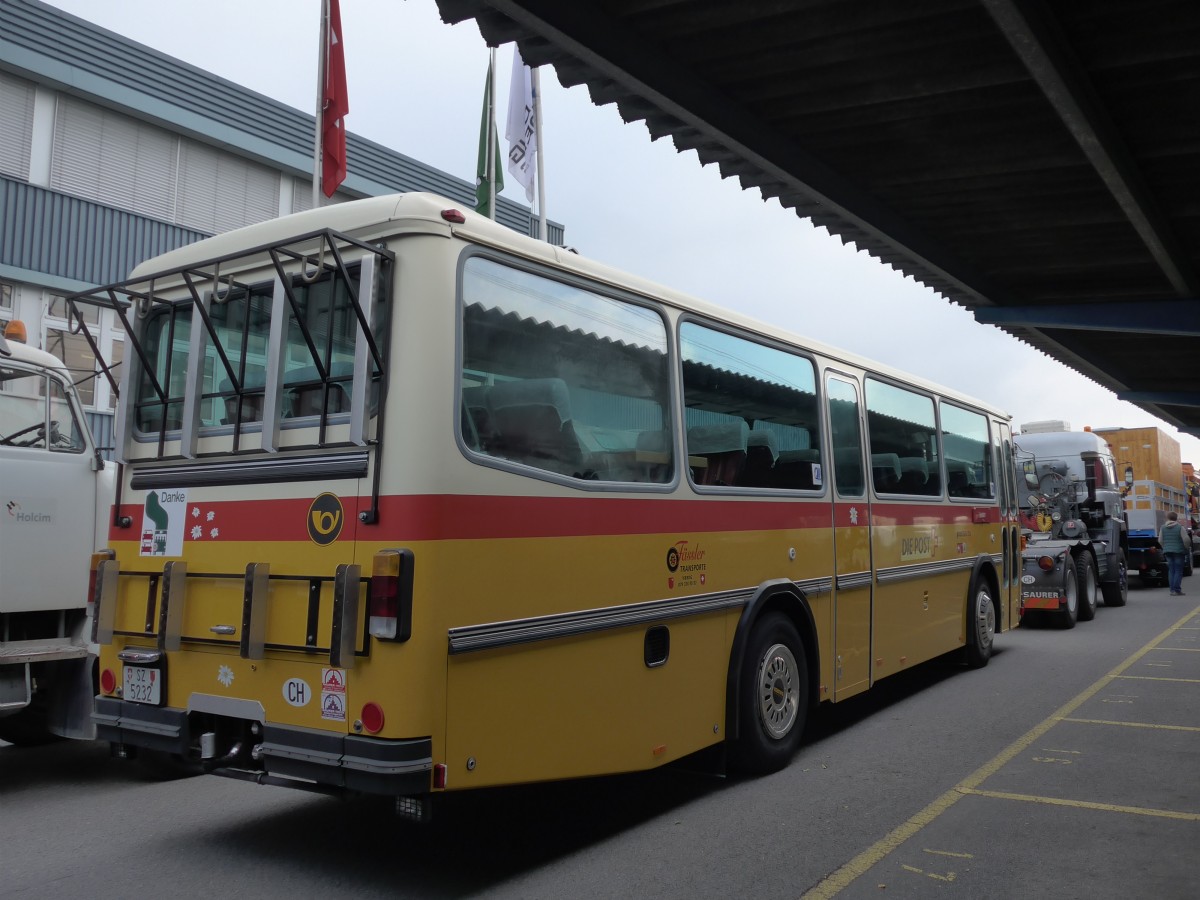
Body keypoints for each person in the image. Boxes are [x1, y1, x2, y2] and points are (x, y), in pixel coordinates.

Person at [1159, 511, 1192, 596]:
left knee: (1171, 570)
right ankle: (1177, 590)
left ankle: (1172, 590)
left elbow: (1160, 540)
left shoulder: (1163, 528)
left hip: (1168, 551)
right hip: (1178, 551)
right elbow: (1186, 539)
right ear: (1176, 518)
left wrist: (1165, 547)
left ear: (1168, 518)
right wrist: (1186, 547)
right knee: (1178, 570)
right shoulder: (1180, 527)